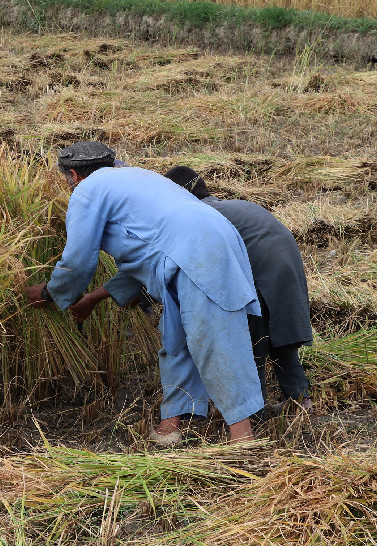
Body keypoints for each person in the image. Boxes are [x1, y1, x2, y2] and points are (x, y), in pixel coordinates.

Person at [24, 141, 264, 443]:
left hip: (196, 248)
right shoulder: (137, 177)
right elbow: (143, 260)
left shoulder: (88, 189)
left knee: (215, 336)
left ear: (73, 175)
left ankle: (242, 439)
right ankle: (170, 427)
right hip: (204, 239)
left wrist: (50, 292)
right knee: (175, 338)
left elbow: (78, 261)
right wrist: (90, 300)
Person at [164, 166, 313, 416]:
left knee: (253, 343)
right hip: (287, 268)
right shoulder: (234, 205)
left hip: (262, 271)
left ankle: (255, 412)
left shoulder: (201, 215)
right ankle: (301, 401)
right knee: (281, 339)